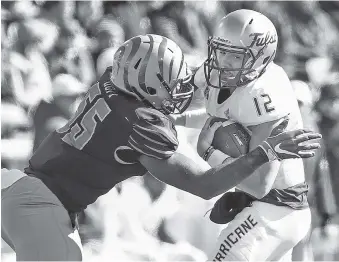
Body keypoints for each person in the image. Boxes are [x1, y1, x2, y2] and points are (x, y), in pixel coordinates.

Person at [1, 34, 321, 261]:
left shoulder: (108, 85)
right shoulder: (140, 124)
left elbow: (147, 104)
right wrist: (265, 151)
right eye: (175, 81)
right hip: (41, 209)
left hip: (17, 190)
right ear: (151, 82)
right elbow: (205, 185)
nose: (180, 89)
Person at [173, 9, 321, 261]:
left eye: (233, 55)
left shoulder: (267, 97)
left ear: (260, 58)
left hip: (277, 209)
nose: (221, 61)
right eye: (219, 50)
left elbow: (259, 184)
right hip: (262, 207)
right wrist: (175, 119)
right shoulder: (220, 71)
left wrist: (209, 153)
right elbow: (216, 115)